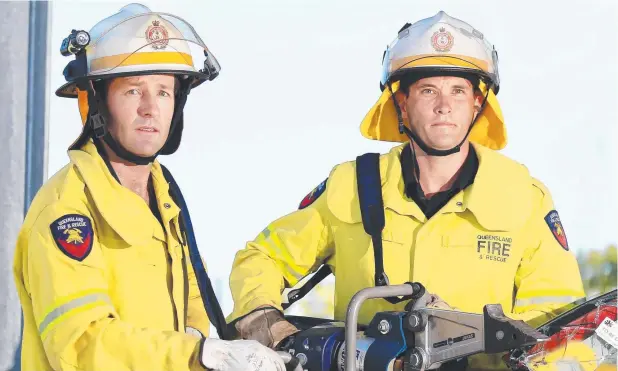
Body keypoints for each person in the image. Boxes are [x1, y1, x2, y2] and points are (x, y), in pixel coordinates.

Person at [227, 10, 586, 370]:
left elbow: (564, 326)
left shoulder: (525, 197)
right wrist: (267, 326)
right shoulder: (350, 186)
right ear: (402, 103)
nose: (444, 105)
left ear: (478, 104)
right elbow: (261, 257)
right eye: (428, 90)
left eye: (458, 91)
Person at [13, 4, 284, 371]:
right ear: (98, 101)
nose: (150, 109)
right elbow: (81, 343)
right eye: (132, 91)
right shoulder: (67, 210)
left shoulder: (167, 205)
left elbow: (193, 324)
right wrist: (195, 357)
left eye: (163, 92)